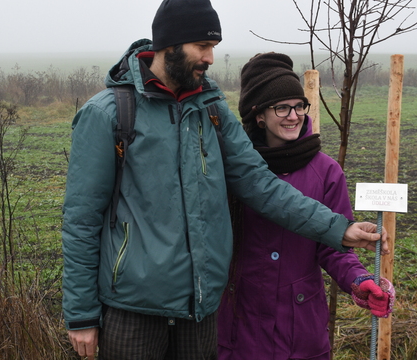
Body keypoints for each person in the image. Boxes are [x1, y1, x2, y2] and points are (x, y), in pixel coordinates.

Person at [61, 1, 388, 359]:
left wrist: (339, 229)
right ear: (170, 46)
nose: (210, 58)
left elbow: (260, 183)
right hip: (132, 310)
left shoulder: (211, 110)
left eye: (213, 48)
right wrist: (81, 316)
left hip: (200, 310)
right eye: (202, 47)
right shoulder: (108, 113)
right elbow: (81, 221)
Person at [217, 52, 395, 360]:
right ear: (258, 114)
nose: (294, 115)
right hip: (238, 326)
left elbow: (333, 247)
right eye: (282, 107)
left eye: (299, 106)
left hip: (299, 329)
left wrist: (359, 280)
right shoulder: (232, 170)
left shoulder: (326, 171)